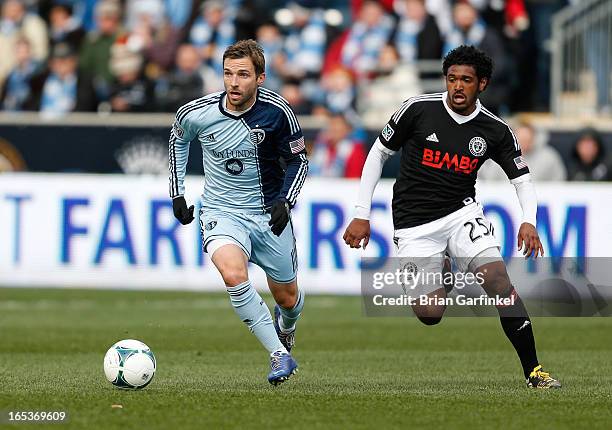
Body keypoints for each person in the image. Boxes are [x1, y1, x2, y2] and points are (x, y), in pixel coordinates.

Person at [343, 45, 561, 389]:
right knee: (429, 315)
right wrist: (361, 214)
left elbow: (522, 180)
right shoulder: (417, 109)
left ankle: (534, 371)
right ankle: (445, 269)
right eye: (452, 79)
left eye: (466, 80)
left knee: (499, 283)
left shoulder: (495, 130)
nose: (457, 86)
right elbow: (378, 154)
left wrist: (528, 220)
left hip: (462, 213)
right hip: (414, 223)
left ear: (482, 84)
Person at [168, 39, 308, 386]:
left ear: (260, 78)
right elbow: (178, 141)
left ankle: (286, 326)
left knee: (288, 298)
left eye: (243, 75)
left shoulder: (278, 113)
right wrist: (178, 193)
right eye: (228, 74)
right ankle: (279, 355)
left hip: (267, 214)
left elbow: (298, 160)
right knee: (233, 274)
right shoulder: (196, 113)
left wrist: (286, 200)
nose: (233, 82)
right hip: (222, 211)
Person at [478, 122, 567, 182]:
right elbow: (488, 181)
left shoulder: (548, 157)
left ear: (534, 139)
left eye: (527, 139)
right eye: (521, 139)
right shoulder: (499, 155)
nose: (524, 143)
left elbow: (559, 181)